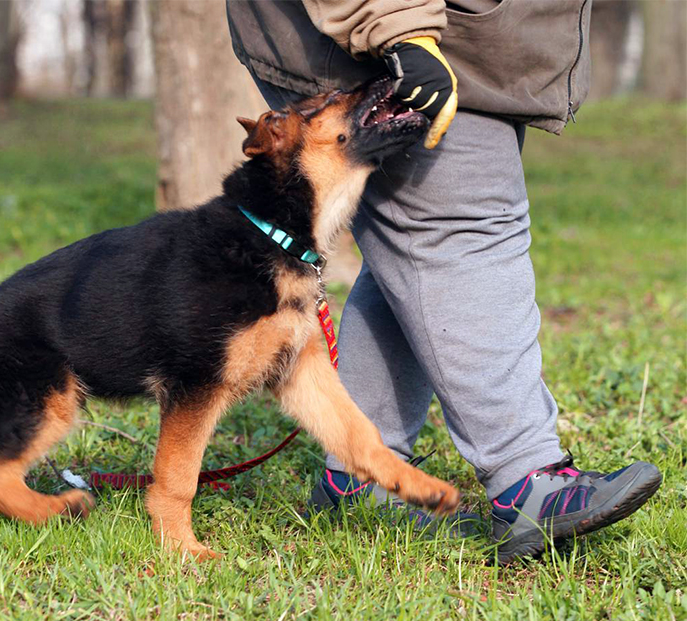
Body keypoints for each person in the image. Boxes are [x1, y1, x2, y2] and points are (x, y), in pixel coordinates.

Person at [226, 0, 662, 563]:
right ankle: (527, 480)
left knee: (414, 253)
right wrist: (397, 28)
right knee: (455, 228)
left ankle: (361, 478)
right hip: (394, 33)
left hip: (464, 41)